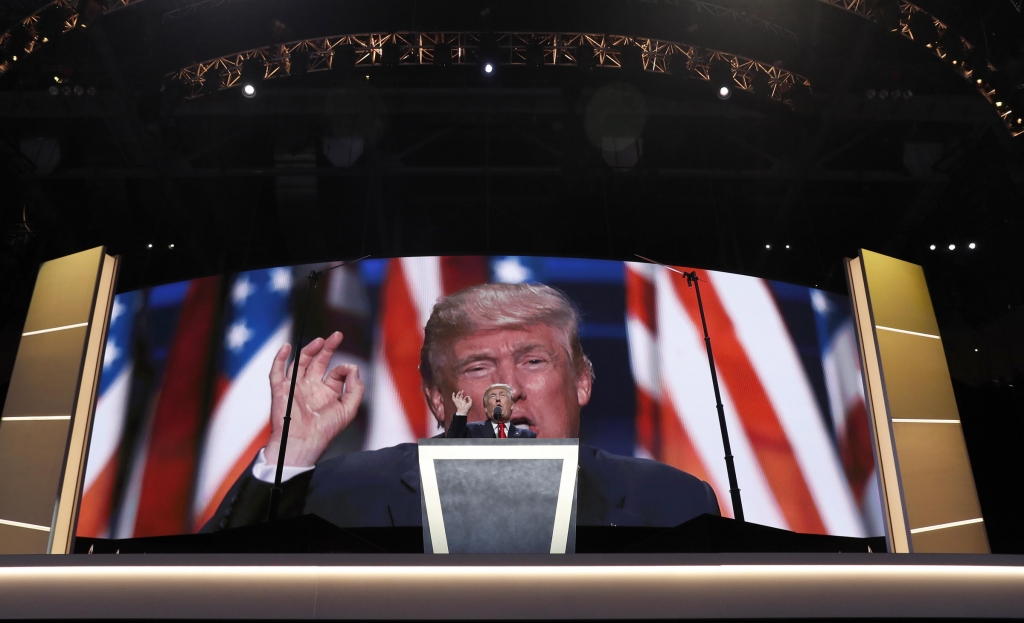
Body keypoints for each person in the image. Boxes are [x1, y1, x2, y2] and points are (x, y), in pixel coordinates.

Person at [203, 283, 719, 531]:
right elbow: (208, 586)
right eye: (477, 368)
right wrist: (289, 452)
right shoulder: (341, 491)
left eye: (534, 360)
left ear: (582, 381)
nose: (507, 388)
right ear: (436, 397)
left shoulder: (672, 502)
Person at [446, 384, 536, 438]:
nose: (497, 399)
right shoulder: (471, 430)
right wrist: (462, 412)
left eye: (502, 395)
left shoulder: (527, 436)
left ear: (512, 405)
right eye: (492, 396)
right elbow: (453, 443)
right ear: (485, 408)